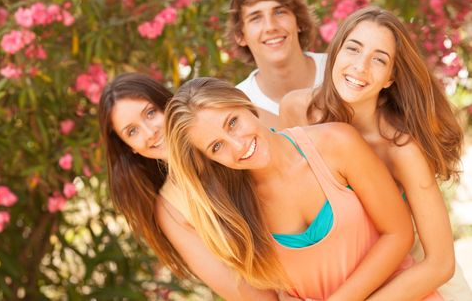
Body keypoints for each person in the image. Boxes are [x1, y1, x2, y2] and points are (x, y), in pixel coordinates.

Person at [165, 77, 438, 300]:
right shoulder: (235, 215)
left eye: (233, 122)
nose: (238, 145)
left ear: (246, 105)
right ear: (210, 160)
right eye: (216, 146)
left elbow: (398, 233)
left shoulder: (335, 143)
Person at [280, 6, 471, 300]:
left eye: (379, 59)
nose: (360, 67)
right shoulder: (297, 111)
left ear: (390, 78)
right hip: (341, 279)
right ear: (335, 53)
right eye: (353, 49)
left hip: (414, 276)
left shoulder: (400, 149)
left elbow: (440, 264)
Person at [98, 73, 282, 300]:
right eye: (132, 131)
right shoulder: (171, 209)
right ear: (129, 148)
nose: (150, 132)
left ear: (168, 104)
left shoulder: (233, 122)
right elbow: (241, 291)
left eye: (150, 112)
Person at [228, 0, 327, 123]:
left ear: (299, 21)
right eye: (256, 18)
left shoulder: (337, 71)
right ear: (240, 36)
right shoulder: (239, 106)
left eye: (280, 12)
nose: (270, 27)